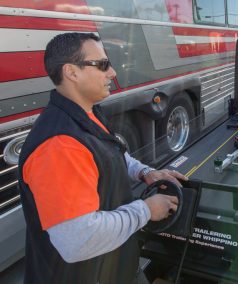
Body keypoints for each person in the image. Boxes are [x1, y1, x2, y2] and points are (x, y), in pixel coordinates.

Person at [18, 32, 188, 284]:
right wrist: (146, 210)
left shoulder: (87, 113)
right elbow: (77, 241)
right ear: (71, 72)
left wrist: (145, 172)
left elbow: (112, 153)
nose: (113, 73)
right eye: (102, 65)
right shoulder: (59, 146)